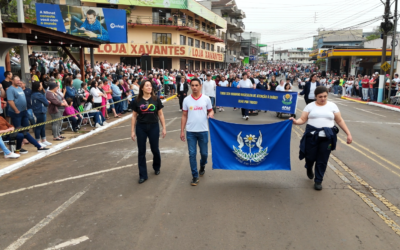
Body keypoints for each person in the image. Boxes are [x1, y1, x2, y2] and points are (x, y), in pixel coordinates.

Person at [290, 86, 352, 190]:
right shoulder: (310, 106)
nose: (323, 99)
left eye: (325, 96)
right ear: (315, 96)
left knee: (322, 159)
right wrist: (295, 122)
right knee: (310, 157)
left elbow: (340, 121)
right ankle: (309, 167)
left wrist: (348, 134)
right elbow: (302, 119)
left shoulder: (332, 106)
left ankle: (318, 180)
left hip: (327, 137)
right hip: (312, 136)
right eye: (320, 97)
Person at [131, 80, 166, 184]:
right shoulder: (137, 100)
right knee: (141, 151)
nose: (149, 87)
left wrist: (164, 127)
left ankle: (156, 167)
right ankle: (143, 175)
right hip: (141, 127)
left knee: (155, 149)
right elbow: (134, 116)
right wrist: (132, 130)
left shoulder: (156, 99)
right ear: (142, 88)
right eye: (147, 86)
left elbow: (160, 114)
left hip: (153, 126)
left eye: (150, 86)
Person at [180, 78, 214, 186]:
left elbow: (211, 110)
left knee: (204, 154)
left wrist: (211, 114)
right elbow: (184, 115)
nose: (194, 87)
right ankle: (195, 176)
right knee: (192, 154)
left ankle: (202, 165)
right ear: (190, 86)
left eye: (196, 85)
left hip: (203, 131)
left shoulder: (206, 99)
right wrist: (182, 131)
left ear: (200, 86)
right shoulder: (186, 100)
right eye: (192, 85)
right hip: (191, 132)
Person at [31, 81, 52, 147]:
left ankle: (44, 139)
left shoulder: (33, 94)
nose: (41, 86)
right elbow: (46, 103)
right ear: (38, 87)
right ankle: (38, 141)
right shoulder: (39, 95)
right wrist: (47, 102)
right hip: (40, 111)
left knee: (42, 126)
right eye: (40, 85)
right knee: (39, 126)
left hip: (38, 111)